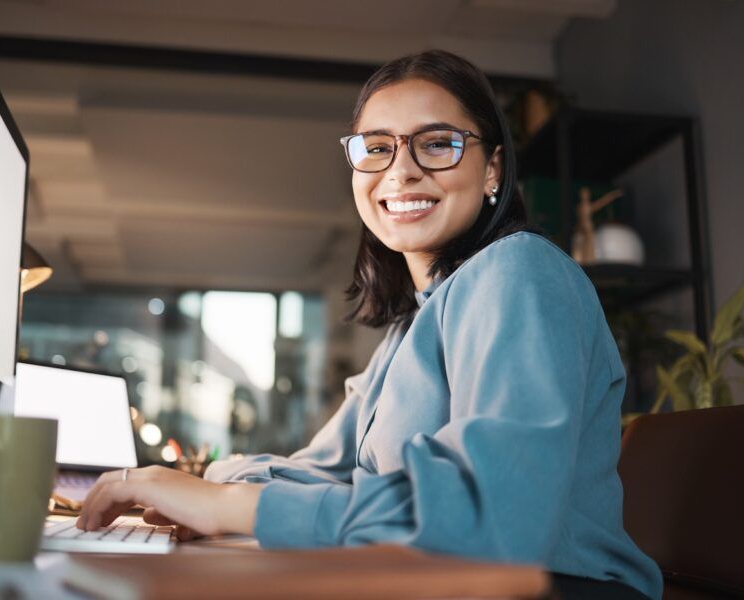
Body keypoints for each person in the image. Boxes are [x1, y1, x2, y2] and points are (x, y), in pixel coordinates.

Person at [76, 50, 663, 600]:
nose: (400, 171)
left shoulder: (520, 271)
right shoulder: (411, 325)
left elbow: (491, 520)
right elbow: (319, 470)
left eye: (438, 144)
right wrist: (208, 486)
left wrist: (226, 505)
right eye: (376, 147)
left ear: (493, 170)